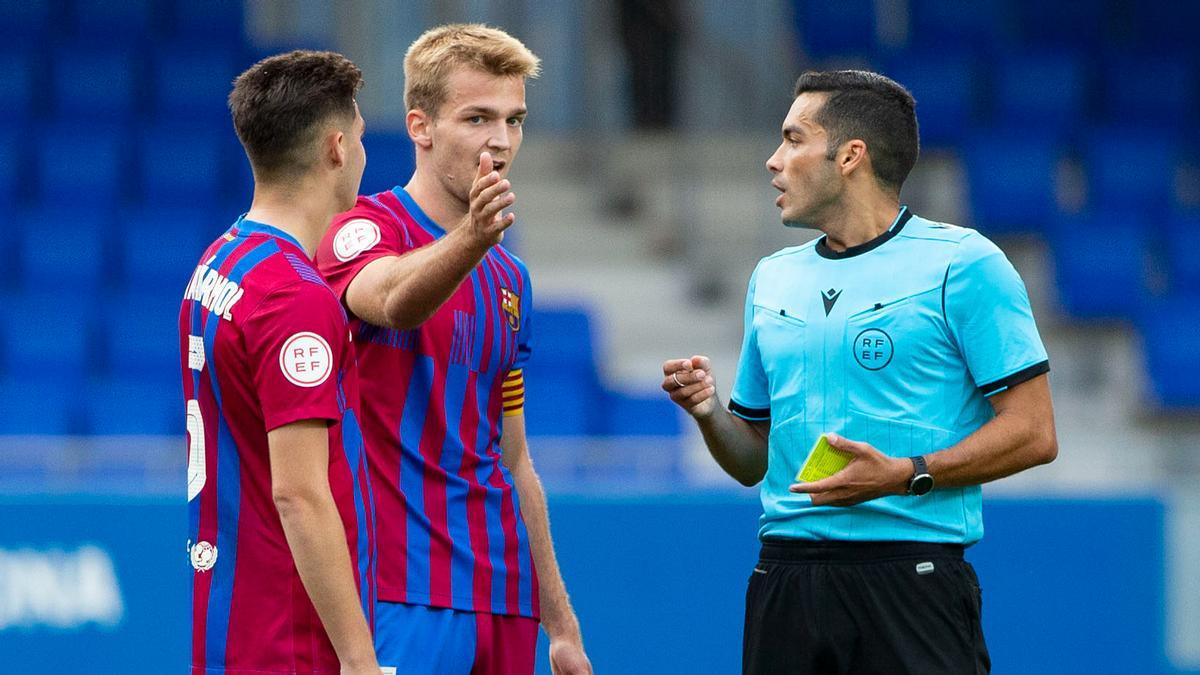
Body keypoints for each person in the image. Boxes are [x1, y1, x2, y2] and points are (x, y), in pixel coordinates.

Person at [662, 70, 1058, 674]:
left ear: (850, 156)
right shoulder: (772, 276)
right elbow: (752, 462)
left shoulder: (965, 263)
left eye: (793, 139)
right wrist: (710, 412)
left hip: (913, 577)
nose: (773, 161)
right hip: (785, 577)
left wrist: (906, 474)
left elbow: (1034, 432)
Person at [315, 24, 591, 675]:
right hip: (400, 591)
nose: (501, 139)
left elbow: (516, 458)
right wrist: (470, 240)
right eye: (477, 118)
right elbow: (391, 301)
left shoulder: (510, 279)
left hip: (504, 600)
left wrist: (562, 625)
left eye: (514, 120)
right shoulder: (365, 229)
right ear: (421, 125)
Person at [180, 50, 378, 675]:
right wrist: (358, 661)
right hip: (287, 639)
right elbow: (298, 494)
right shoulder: (295, 298)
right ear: (338, 149)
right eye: (365, 139)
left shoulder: (219, 262)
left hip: (227, 622)